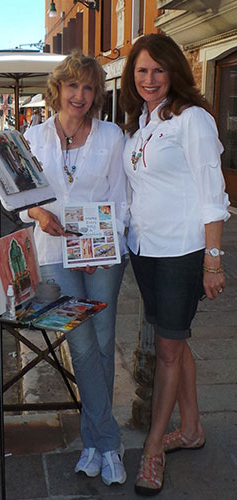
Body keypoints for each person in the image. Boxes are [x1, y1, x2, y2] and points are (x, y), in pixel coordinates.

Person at [120, 33, 230, 496]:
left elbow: (213, 194)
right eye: (142, 70)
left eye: (158, 70)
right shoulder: (141, 123)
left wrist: (213, 260)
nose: (150, 79)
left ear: (174, 73)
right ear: (132, 76)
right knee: (176, 339)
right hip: (145, 250)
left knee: (167, 348)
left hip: (182, 253)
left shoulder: (193, 120)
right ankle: (191, 430)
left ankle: (153, 448)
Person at [20, 50, 128, 486]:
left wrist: (107, 238)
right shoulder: (34, 136)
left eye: (87, 87)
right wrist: (37, 215)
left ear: (95, 93)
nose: (79, 95)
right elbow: (20, 197)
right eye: (72, 86)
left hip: (101, 252)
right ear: (58, 90)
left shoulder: (112, 136)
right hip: (52, 251)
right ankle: (109, 441)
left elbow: (121, 199)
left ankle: (93, 441)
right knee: (80, 344)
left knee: (103, 342)